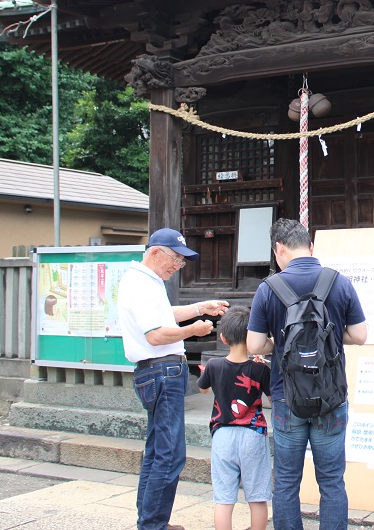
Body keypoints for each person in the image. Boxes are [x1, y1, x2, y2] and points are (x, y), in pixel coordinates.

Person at [246, 218, 367, 530]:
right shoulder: (338, 282)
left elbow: (254, 345)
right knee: (331, 482)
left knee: (286, 481)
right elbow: (360, 335)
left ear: (279, 249)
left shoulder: (267, 289)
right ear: (311, 247)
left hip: (287, 398)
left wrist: (281, 342)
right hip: (331, 397)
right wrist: (328, 335)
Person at [117, 227, 230, 530]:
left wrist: (198, 308)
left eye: (180, 262)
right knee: (170, 454)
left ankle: (151, 521)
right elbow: (156, 334)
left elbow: (163, 315)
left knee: (158, 451)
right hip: (161, 370)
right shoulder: (141, 284)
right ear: (155, 253)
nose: (176, 267)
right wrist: (193, 330)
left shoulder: (145, 281)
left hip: (157, 371)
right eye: (175, 260)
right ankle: (153, 524)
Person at [197, 306, 272, 530]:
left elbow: (203, 390)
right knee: (257, 496)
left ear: (223, 337)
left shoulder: (213, 365)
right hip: (253, 434)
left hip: (223, 436)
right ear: (252, 337)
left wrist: (207, 375)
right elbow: (272, 398)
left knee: (224, 498)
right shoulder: (260, 370)